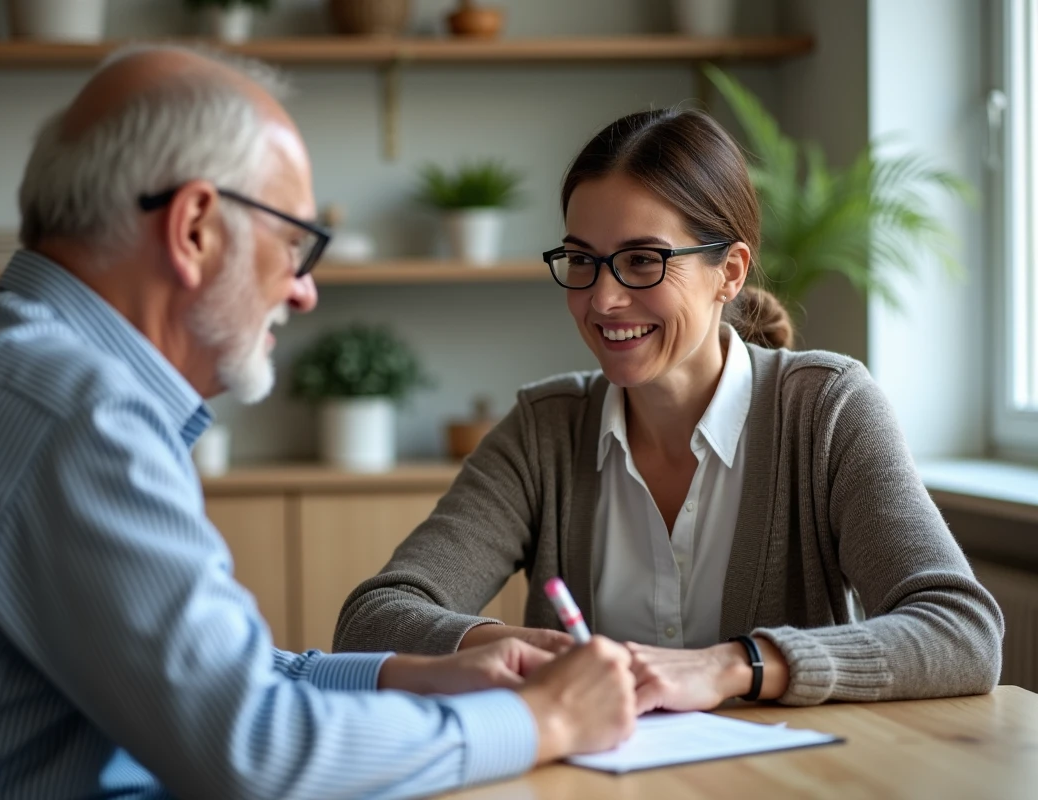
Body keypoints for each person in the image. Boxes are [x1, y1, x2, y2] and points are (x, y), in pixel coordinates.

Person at [0, 45, 640, 800]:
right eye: (295, 244)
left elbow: (213, 682)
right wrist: (551, 718)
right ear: (193, 228)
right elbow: (259, 753)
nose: (303, 292)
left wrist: (408, 672)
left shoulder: (1, 361)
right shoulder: (74, 410)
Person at [334, 107, 1005, 711]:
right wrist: (503, 645)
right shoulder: (545, 430)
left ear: (731, 272)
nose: (602, 300)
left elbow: (961, 630)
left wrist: (732, 667)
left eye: (643, 261)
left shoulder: (826, 410)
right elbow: (372, 617)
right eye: (582, 261)